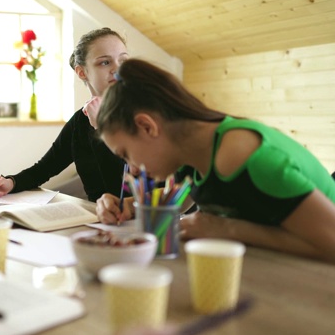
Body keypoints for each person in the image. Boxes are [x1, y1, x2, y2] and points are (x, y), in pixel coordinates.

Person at [95, 58, 335, 263]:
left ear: (147, 127)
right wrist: (129, 205)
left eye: (125, 153)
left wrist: (227, 229)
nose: (133, 168)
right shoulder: (191, 151)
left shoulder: (243, 156)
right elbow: (176, 203)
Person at [0, 27, 130, 202]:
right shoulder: (79, 122)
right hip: (94, 221)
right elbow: (45, 169)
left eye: (123, 60)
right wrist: (11, 182)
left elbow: (121, 190)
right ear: (82, 72)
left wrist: (102, 128)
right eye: (105, 62)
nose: (117, 69)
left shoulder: (144, 116)